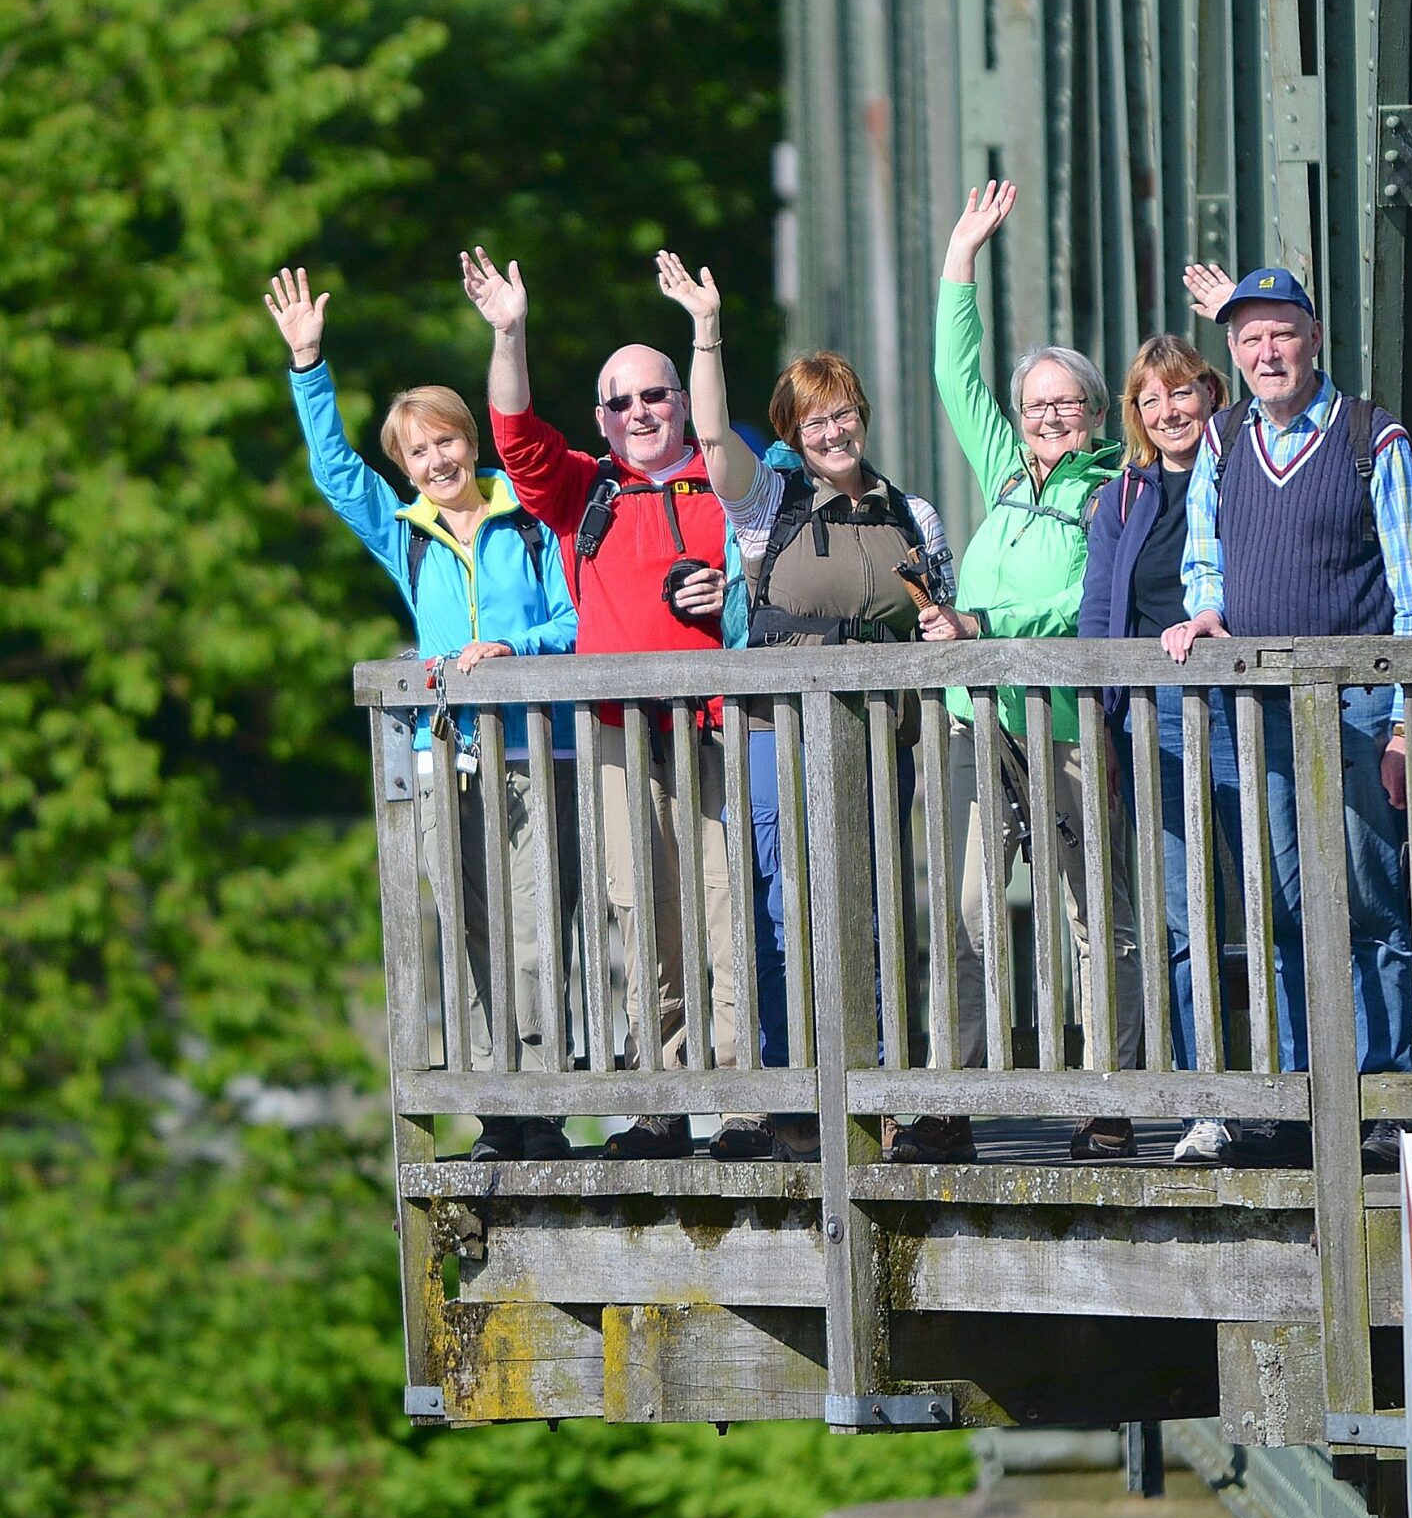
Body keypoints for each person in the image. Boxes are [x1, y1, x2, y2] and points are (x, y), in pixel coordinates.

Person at [266, 267, 578, 1162]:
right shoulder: (406, 532)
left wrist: (516, 654)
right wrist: (307, 363)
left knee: (530, 928)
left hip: (533, 755)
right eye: (418, 454)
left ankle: (542, 1104)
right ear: (404, 467)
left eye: (446, 444)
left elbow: (572, 620)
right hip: (451, 761)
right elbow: (333, 472)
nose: (437, 463)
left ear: (467, 442)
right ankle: (497, 1109)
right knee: (470, 931)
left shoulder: (526, 516)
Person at [657, 252, 955, 1160]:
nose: (836, 430)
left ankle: (875, 1085)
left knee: (871, 906)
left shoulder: (915, 512)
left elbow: (939, 612)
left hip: (878, 739)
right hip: (776, 734)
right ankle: (791, 1091)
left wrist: (948, 629)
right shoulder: (769, 505)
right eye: (816, 418)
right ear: (792, 430)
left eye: (846, 412)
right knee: (785, 903)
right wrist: (706, 333)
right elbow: (711, 441)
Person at [461, 246, 751, 1161]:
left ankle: (743, 1103)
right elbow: (510, 433)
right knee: (644, 914)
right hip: (622, 735)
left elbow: (774, 584)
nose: (640, 412)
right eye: (621, 401)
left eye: (654, 395)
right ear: (601, 417)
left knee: (728, 911)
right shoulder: (584, 488)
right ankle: (661, 1103)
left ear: (681, 401)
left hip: (720, 730)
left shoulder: (731, 481)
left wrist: (729, 593)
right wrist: (511, 332)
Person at [1161, 264, 1412, 1171]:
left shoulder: (1372, 437)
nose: (1266, 351)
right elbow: (1203, 552)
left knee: (1368, 902)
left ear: (1314, 338)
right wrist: (1205, 606)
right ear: (1232, 354)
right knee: (1276, 904)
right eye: (1248, 339)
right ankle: (1290, 1098)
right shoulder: (1224, 438)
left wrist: (1404, 726)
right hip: (1263, 712)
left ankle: (1385, 1097)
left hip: (1358, 708)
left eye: (1282, 332)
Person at [904, 180, 1144, 1166]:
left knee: (1098, 911)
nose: (1048, 415)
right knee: (964, 909)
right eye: (1035, 403)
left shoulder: (1117, 488)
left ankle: (1108, 1095)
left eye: (1066, 402)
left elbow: (1087, 602)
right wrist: (960, 256)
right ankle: (949, 1096)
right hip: (980, 721)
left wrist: (983, 620)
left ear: (1095, 413)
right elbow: (956, 375)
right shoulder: (1003, 469)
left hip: (1065, 720)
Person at [1079, 335, 1233, 1163]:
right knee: (1180, 917)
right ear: (1135, 415)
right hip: (1155, 719)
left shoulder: (1244, 468)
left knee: (1274, 904)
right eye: (1151, 399)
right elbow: (1098, 617)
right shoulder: (1122, 496)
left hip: (1249, 708)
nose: (1169, 411)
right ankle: (1203, 1102)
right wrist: (1101, 722)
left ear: (1211, 394)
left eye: (1183, 393)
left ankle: (1294, 1095)